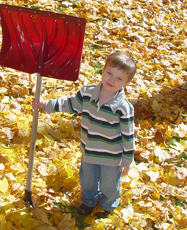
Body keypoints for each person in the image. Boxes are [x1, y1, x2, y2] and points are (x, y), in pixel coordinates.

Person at [33, 51, 136, 219]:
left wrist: (127, 160)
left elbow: (128, 136)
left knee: (109, 184)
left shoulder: (124, 108)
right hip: (89, 150)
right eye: (109, 73)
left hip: (111, 156)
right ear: (102, 71)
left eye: (119, 78)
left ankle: (107, 204)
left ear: (127, 84)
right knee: (88, 179)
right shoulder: (88, 93)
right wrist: (46, 105)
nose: (112, 80)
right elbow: (70, 104)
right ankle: (88, 201)